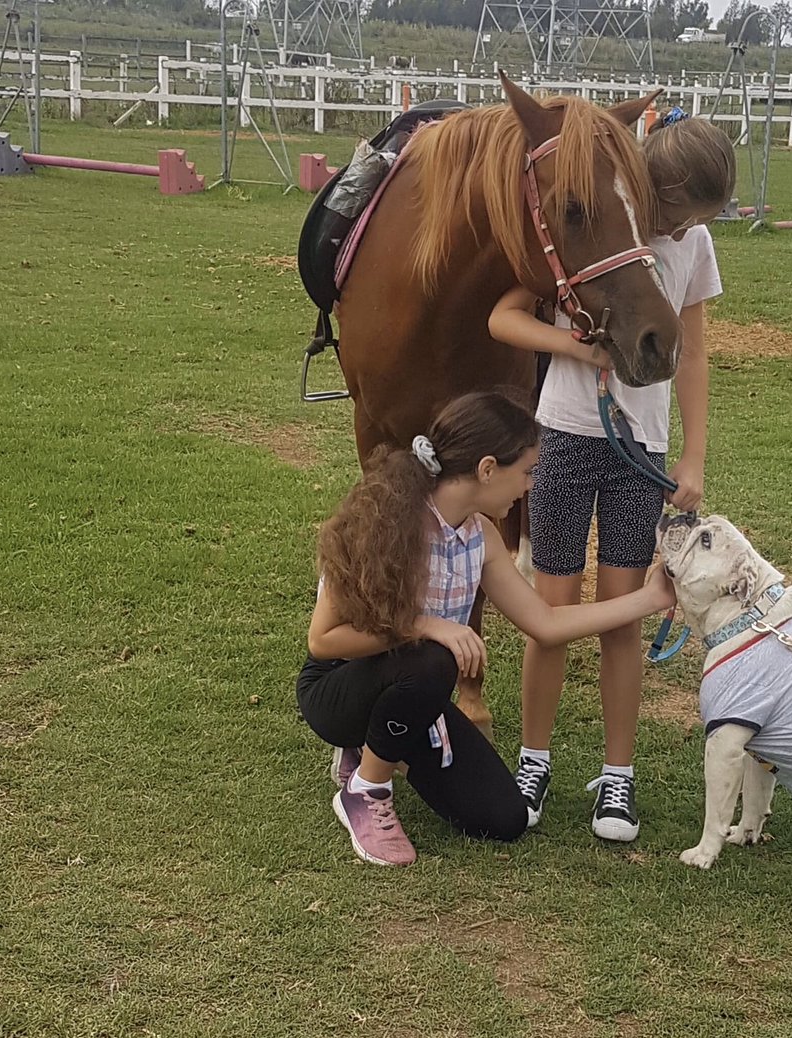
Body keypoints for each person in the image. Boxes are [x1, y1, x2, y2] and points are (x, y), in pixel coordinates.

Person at [486, 111, 736, 843]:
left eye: (695, 221)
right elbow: (503, 316)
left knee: (623, 618)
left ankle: (616, 778)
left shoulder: (693, 246)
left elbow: (691, 355)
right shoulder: (593, 225)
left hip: (640, 456)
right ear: (649, 185)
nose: (682, 229)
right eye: (676, 213)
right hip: (564, 438)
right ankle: (534, 761)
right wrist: (578, 348)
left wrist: (689, 456)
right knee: (552, 616)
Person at [296, 389, 676, 867]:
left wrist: (649, 598)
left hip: (416, 692)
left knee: (504, 818)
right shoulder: (384, 519)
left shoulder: (481, 535)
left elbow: (546, 623)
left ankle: (380, 743)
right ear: (488, 469)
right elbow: (324, 641)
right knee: (434, 658)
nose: (530, 487)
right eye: (527, 473)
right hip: (337, 689)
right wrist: (426, 625)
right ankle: (366, 787)